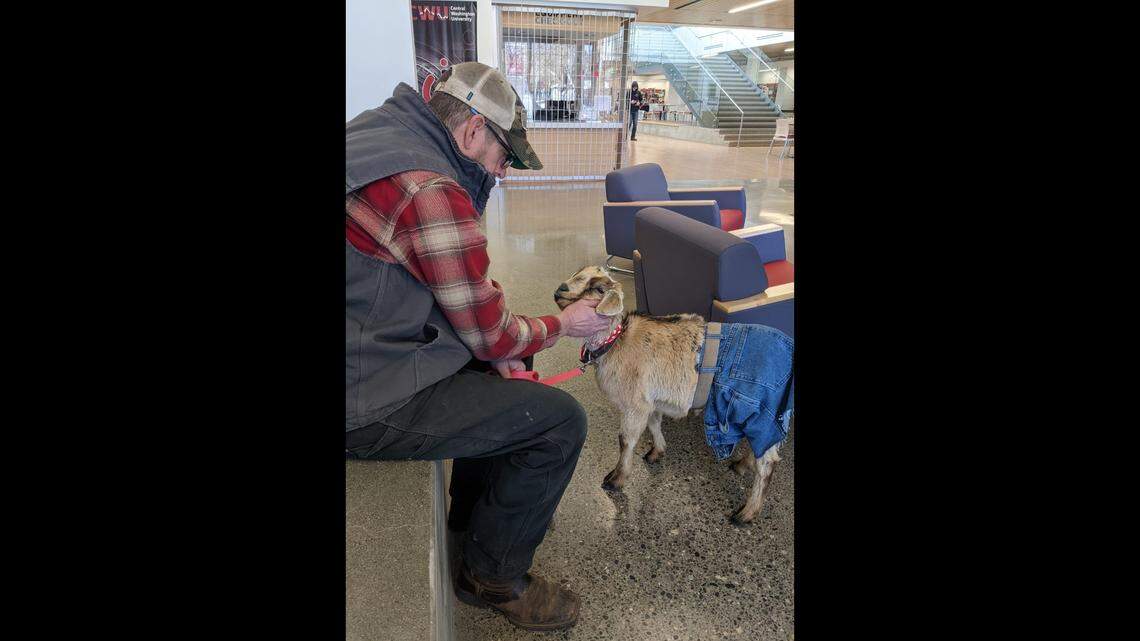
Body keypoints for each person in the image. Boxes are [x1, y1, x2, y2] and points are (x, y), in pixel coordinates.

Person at [344, 62, 612, 631]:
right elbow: (492, 332)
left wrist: (508, 343)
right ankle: (492, 577)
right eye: (503, 158)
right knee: (559, 422)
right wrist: (564, 325)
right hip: (362, 398)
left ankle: (471, 519)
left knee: (510, 358)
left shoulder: (381, 131)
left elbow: (459, 290)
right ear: (471, 134)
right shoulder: (431, 187)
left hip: (365, 336)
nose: (504, 173)